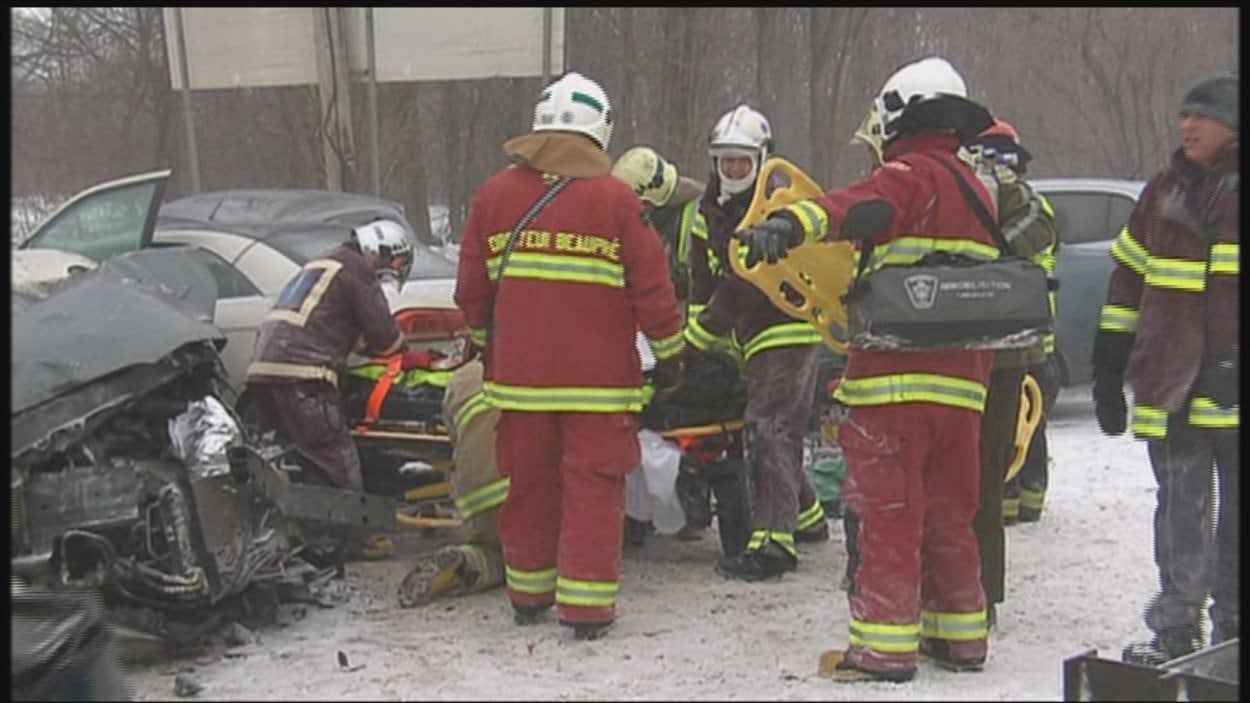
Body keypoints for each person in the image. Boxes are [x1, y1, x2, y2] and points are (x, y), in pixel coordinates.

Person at [738, 56, 998, 682]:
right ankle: (961, 637)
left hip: (895, 387)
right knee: (948, 515)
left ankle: (883, 648)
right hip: (962, 389)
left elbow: (858, 207)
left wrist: (789, 222)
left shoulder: (910, 175)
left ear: (899, 114)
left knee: (888, 513)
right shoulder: (976, 188)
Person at [453, 70, 687, 641]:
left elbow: (471, 292)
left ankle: (528, 594)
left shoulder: (493, 197)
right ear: (601, 131)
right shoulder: (618, 203)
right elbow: (653, 291)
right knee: (592, 489)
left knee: (528, 484)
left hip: (520, 384)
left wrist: (488, 347)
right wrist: (672, 353)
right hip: (599, 386)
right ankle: (586, 609)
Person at [1092, 70, 1239, 666]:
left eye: (1200, 115)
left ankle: (1233, 624)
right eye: (1183, 115)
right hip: (1172, 382)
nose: (1186, 125)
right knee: (1178, 508)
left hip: (1230, 385)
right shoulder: (1162, 192)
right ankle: (1177, 626)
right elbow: (1127, 282)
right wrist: (1107, 367)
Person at [683, 103, 830, 582]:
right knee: (777, 427)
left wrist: (702, 334)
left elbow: (745, 283)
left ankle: (774, 543)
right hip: (748, 338)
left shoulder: (777, 210)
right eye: (726, 161)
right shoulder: (709, 211)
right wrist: (689, 343)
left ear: (763, 159)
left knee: (768, 428)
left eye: (742, 162)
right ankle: (807, 518)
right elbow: (701, 280)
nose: (733, 170)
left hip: (788, 325)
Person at [963, 118, 1059, 628]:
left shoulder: (1022, 201)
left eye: (1000, 160)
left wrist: (988, 245)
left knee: (986, 472)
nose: (991, 167)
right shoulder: (951, 185)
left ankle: (981, 595)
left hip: (1005, 354)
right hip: (959, 349)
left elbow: (1037, 229)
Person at [245, 218, 412, 492]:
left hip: (263, 371)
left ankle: (299, 527)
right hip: (305, 378)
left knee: (298, 460)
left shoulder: (324, 262)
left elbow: (328, 324)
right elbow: (387, 339)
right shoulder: (357, 269)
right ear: (380, 252)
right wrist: (403, 348)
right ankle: (346, 532)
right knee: (336, 464)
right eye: (393, 263)